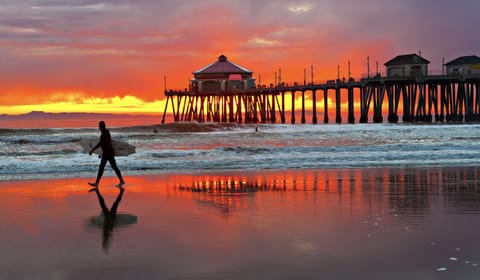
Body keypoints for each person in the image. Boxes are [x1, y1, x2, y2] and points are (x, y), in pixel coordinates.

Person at [88, 121, 125, 187]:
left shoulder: (105, 134)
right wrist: (99, 152)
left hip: (108, 154)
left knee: (107, 168)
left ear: (101, 127)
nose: (99, 127)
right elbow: (103, 143)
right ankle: (121, 181)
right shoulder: (105, 133)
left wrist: (94, 150)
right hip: (108, 153)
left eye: (99, 126)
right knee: (108, 168)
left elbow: (103, 144)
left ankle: (97, 183)